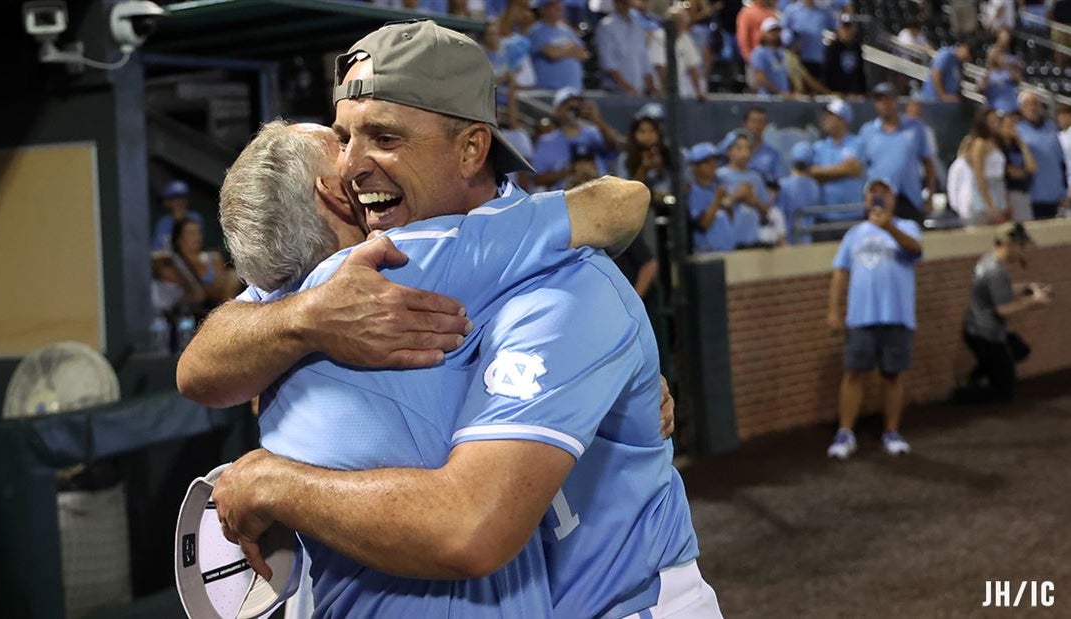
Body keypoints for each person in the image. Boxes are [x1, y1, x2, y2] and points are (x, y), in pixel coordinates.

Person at [199, 21, 719, 618]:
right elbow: (202, 367)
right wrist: (304, 320)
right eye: (344, 138)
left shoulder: (563, 284)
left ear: (472, 148)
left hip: (621, 605)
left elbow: (470, 527)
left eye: (385, 137)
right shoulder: (351, 277)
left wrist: (275, 481)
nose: (351, 167)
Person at [826, 177, 923, 459]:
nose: (878, 197)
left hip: (897, 315)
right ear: (866, 199)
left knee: (892, 375)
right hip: (861, 316)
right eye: (873, 193)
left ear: (893, 197)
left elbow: (915, 250)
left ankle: (891, 431)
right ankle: (845, 433)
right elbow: (840, 272)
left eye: (883, 192)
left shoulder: (906, 226)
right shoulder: (853, 234)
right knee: (854, 373)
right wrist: (834, 310)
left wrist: (888, 225)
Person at [954, 223, 1050, 404]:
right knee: (1005, 393)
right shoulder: (996, 271)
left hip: (977, 329)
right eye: (1021, 246)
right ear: (1010, 244)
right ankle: (962, 396)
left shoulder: (988, 260)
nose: (1023, 251)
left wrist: (1025, 288)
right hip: (984, 333)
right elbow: (1003, 309)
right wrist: (1033, 301)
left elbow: (996, 291)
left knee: (1019, 349)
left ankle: (977, 376)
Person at [857, 83, 936, 224]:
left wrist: (930, 196)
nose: (885, 104)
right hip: (878, 200)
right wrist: (865, 196)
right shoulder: (867, 131)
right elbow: (861, 167)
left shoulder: (915, 128)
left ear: (896, 101)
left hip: (909, 197)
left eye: (888, 99)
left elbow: (928, 163)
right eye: (880, 100)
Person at [533, 88, 624, 190]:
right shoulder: (546, 141)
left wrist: (597, 120)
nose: (573, 108)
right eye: (567, 105)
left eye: (577, 105)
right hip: (565, 199)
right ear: (557, 110)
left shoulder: (593, 133)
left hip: (598, 195)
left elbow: (615, 148)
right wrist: (568, 171)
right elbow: (537, 179)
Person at [809, 98, 865, 236]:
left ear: (843, 120)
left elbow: (855, 169)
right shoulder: (819, 147)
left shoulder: (858, 144)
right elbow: (813, 174)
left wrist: (824, 173)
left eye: (830, 116)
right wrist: (843, 169)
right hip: (825, 217)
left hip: (853, 216)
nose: (824, 119)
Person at [1016, 91, 1069, 220]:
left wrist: (1066, 189)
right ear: (1021, 108)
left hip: (1057, 194)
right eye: (1028, 104)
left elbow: (1061, 162)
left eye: (1035, 104)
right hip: (1032, 195)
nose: (1032, 108)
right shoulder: (1017, 129)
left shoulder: (1051, 127)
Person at [595, 0, 661, 96]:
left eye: (628, 2)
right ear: (615, 3)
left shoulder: (637, 25)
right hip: (616, 92)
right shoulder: (606, 26)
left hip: (638, 91)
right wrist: (626, 87)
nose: (626, 5)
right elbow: (608, 62)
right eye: (623, 2)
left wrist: (651, 87)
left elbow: (644, 58)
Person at [715, 130, 769, 247]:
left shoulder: (756, 177)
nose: (745, 153)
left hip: (753, 237)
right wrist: (737, 195)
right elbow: (715, 208)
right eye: (739, 148)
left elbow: (765, 212)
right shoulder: (719, 175)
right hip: (729, 240)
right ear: (728, 151)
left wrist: (755, 202)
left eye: (748, 148)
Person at [171, 218, 238, 308]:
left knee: (233, 276)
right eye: (191, 233)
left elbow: (220, 287)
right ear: (179, 238)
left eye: (199, 232)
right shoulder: (176, 262)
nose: (197, 237)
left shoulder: (214, 257)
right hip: (193, 306)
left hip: (217, 303)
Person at [527, 0, 588, 91]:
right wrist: (571, 48)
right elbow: (552, 53)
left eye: (560, 3)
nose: (559, 7)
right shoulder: (536, 31)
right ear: (542, 9)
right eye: (553, 5)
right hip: (548, 91)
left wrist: (560, 50)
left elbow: (583, 54)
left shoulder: (567, 30)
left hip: (573, 90)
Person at [962, 107, 1008, 225]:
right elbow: (979, 175)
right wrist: (989, 204)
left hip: (998, 189)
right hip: (986, 192)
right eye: (992, 121)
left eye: (996, 120)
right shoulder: (980, 144)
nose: (996, 124)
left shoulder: (996, 142)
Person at [687, 142, 736, 252]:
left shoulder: (717, 188)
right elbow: (703, 224)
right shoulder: (693, 191)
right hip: (706, 253)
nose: (713, 165)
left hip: (727, 251)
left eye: (714, 161)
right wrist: (718, 200)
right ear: (694, 167)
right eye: (707, 162)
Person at [779, 141, 824, 244]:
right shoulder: (815, 186)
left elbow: (780, 213)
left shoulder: (783, 185)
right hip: (809, 237)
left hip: (787, 237)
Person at [781, 0, 834, 79]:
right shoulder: (791, 10)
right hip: (797, 58)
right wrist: (791, 37)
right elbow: (783, 32)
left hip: (818, 57)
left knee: (817, 86)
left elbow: (835, 30)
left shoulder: (825, 11)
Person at [1000, 111, 1038, 222]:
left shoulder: (1017, 146)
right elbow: (1012, 172)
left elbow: (1032, 167)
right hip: (1008, 193)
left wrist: (1021, 142)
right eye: (1010, 124)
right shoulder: (1000, 147)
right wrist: (1024, 172)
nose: (1013, 128)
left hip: (1023, 192)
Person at [151, 179, 203, 251]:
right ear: (167, 202)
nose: (179, 202)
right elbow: (157, 249)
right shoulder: (164, 222)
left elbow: (195, 246)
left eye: (182, 198)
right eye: (174, 199)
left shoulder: (194, 217)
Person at [822, 13, 867, 95]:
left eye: (849, 28)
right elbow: (828, 71)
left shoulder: (857, 48)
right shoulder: (832, 48)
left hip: (853, 93)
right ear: (839, 29)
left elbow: (859, 72)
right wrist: (829, 91)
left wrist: (862, 91)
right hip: (836, 92)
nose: (847, 31)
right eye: (844, 28)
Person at [741, 107, 786, 185]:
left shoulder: (773, 154)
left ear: (766, 125)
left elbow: (779, 182)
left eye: (761, 122)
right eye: (753, 121)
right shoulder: (732, 150)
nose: (757, 125)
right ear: (745, 124)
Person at [750, 18, 790, 95]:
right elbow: (760, 77)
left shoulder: (781, 52)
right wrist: (779, 92)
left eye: (777, 30)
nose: (775, 33)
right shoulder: (759, 53)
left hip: (783, 97)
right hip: (767, 97)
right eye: (771, 31)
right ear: (764, 33)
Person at [980, 42, 1022, 114]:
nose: (997, 57)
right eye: (995, 55)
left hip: (1012, 110)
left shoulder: (1008, 73)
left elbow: (1017, 80)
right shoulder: (986, 75)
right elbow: (980, 89)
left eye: (999, 55)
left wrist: (1006, 65)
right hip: (995, 111)